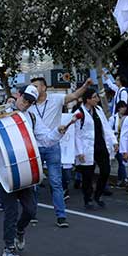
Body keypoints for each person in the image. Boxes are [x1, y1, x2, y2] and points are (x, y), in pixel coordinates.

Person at [0, 85, 70, 256]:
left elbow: (46, 138)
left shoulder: (31, 116)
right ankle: (8, 247)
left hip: (26, 170)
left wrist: (58, 132)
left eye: (30, 102)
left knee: (31, 210)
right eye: (24, 100)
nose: (26, 104)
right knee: (10, 211)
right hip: (5, 172)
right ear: (18, 95)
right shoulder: (1, 112)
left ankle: (19, 231)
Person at [29, 76, 93, 227]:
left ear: (44, 88)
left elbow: (75, 96)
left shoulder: (56, 99)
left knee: (56, 182)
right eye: (31, 87)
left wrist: (85, 85)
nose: (33, 89)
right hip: (35, 147)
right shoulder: (29, 105)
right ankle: (31, 213)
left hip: (53, 146)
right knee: (34, 184)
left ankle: (61, 216)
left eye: (36, 86)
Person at [74, 88, 118, 210]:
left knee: (105, 171)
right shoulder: (79, 113)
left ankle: (98, 195)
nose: (97, 99)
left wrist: (114, 141)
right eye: (94, 97)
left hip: (100, 146)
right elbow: (76, 135)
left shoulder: (98, 110)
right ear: (87, 99)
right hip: (87, 149)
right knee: (87, 176)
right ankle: (88, 199)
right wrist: (79, 152)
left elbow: (106, 127)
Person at [109, 101, 128, 187]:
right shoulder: (113, 119)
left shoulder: (127, 118)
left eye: (125, 107)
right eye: (122, 107)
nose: (124, 109)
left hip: (122, 144)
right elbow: (108, 131)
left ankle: (122, 179)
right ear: (118, 108)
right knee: (110, 162)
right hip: (114, 143)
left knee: (122, 162)